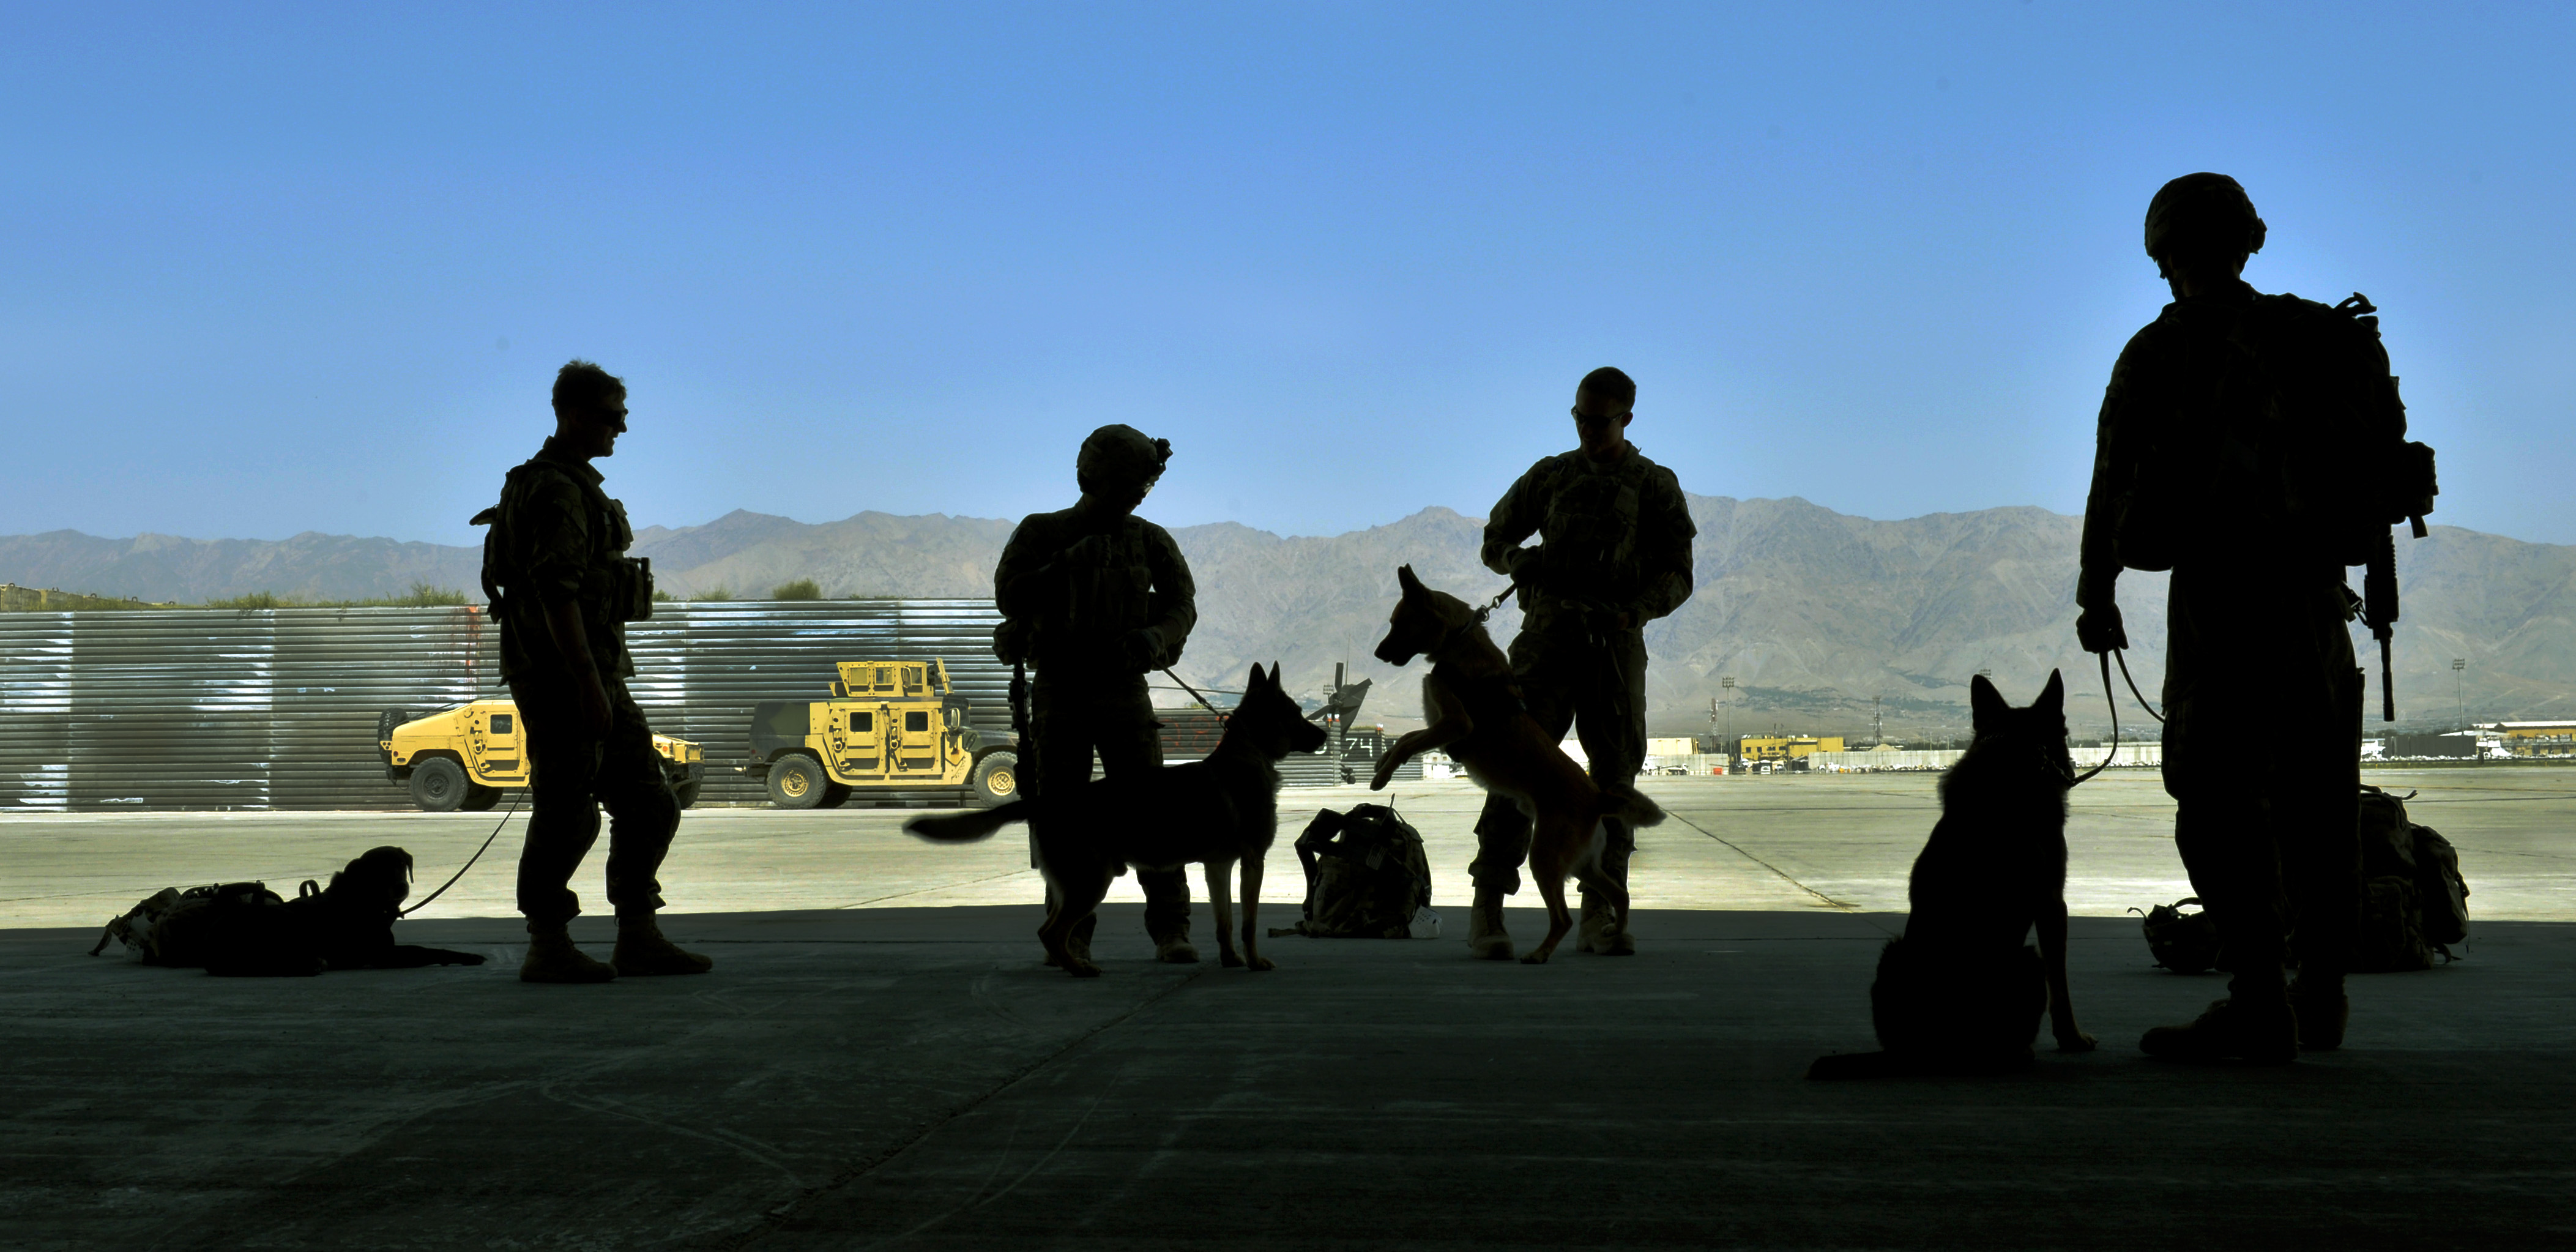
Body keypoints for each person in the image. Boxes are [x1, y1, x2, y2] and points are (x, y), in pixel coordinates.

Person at [2077, 174, 2366, 1061]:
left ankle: (2259, 1003)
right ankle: (2320, 996)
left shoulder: (2158, 352)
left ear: (2164, 254)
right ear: (2250, 241)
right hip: (2316, 605)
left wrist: (2096, 590)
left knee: (2214, 800)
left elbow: (2113, 479)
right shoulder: (2314, 336)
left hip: (2221, 603)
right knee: (2320, 803)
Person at [482, 360, 710, 984]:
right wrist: (585, 681)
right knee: (567, 811)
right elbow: (556, 593)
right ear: (576, 415)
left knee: (650, 802)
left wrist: (598, 680)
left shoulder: (572, 485)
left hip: (596, 675)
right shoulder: (555, 490)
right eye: (613, 417)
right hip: (563, 678)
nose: (622, 429)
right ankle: (548, 943)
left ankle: (638, 935)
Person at [1466, 367, 1696, 959]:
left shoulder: (1653, 485)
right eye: (1580, 419)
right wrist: (1516, 559)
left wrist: (1636, 611)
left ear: (1626, 419)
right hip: (1545, 645)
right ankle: (1487, 908)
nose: (1588, 431)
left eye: (1599, 421)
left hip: (1613, 649)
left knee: (1614, 783)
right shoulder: (1551, 476)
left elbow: (1678, 573)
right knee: (1517, 772)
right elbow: (1495, 540)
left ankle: (1602, 913)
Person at [991, 425, 1201, 964]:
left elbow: (1183, 606)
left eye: (1141, 487)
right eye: (1125, 485)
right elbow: (1009, 596)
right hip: (1060, 691)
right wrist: (1066, 565)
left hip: (1123, 690)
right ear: (1092, 479)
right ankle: (1070, 933)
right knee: (1065, 819)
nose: (1135, 497)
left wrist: (1155, 637)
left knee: (1152, 814)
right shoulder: (1043, 532)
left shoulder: (1150, 540)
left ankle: (1172, 929)